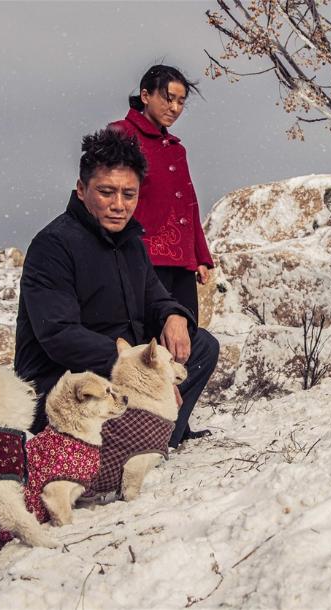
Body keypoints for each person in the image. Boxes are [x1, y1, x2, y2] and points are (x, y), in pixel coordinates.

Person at [14, 128, 219, 448]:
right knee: (91, 399)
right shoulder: (53, 246)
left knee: (202, 345)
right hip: (66, 385)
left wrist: (173, 315)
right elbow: (60, 337)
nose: (119, 205)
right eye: (106, 192)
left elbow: (156, 297)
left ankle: (153, 438)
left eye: (129, 194)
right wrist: (139, 375)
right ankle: (131, 443)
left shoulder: (132, 243)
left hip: (122, 373)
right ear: (82, 189)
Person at [108, 65, 214, 322]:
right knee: (146, 342)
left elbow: (190, 205)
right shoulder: (121, 134)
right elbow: (108, 195)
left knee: (185, 338)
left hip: (181, 262)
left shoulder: (177, 150)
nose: (175, 108)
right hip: (142, 258)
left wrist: (200, 256)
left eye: (180, 102)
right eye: (168, 99)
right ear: (146, 96)